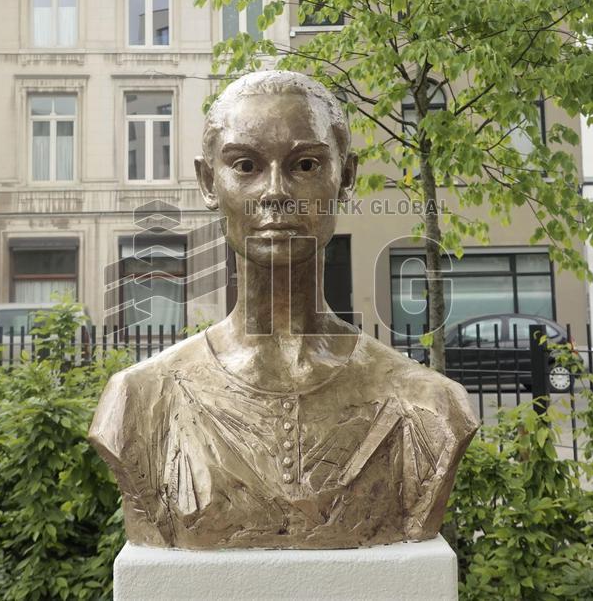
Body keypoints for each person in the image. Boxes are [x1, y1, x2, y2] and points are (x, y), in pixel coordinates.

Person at [89, 71, 478, 550]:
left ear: (346, 177)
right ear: (209, 181)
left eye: (306, 164)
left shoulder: (428, 406)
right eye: (246, 165)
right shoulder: (139, 401)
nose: (276, 191)